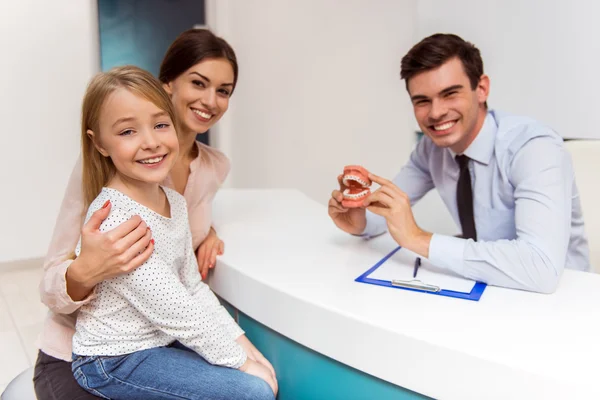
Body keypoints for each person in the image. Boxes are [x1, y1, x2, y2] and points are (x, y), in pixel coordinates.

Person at [34, 29, 276, 399]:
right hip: (100, 355)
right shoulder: (114, 207)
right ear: (167, 85)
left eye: (223, 90)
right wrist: (83, 271)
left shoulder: (189, 185)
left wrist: (241, 343)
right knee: (250, 389)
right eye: (198, 82)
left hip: (157, 340)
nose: (210, 100)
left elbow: (187, 278)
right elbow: (172, 304)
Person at [328, 33, 590, 294]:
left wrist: (419, 239)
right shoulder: (430, 150)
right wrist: (359, 220)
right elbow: (385, 214)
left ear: (482, 89)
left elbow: (540, 269)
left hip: (559, 301)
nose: (436, 112)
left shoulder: (534, 148)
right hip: (486, 288)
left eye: (450, 94)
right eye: (422, 101)